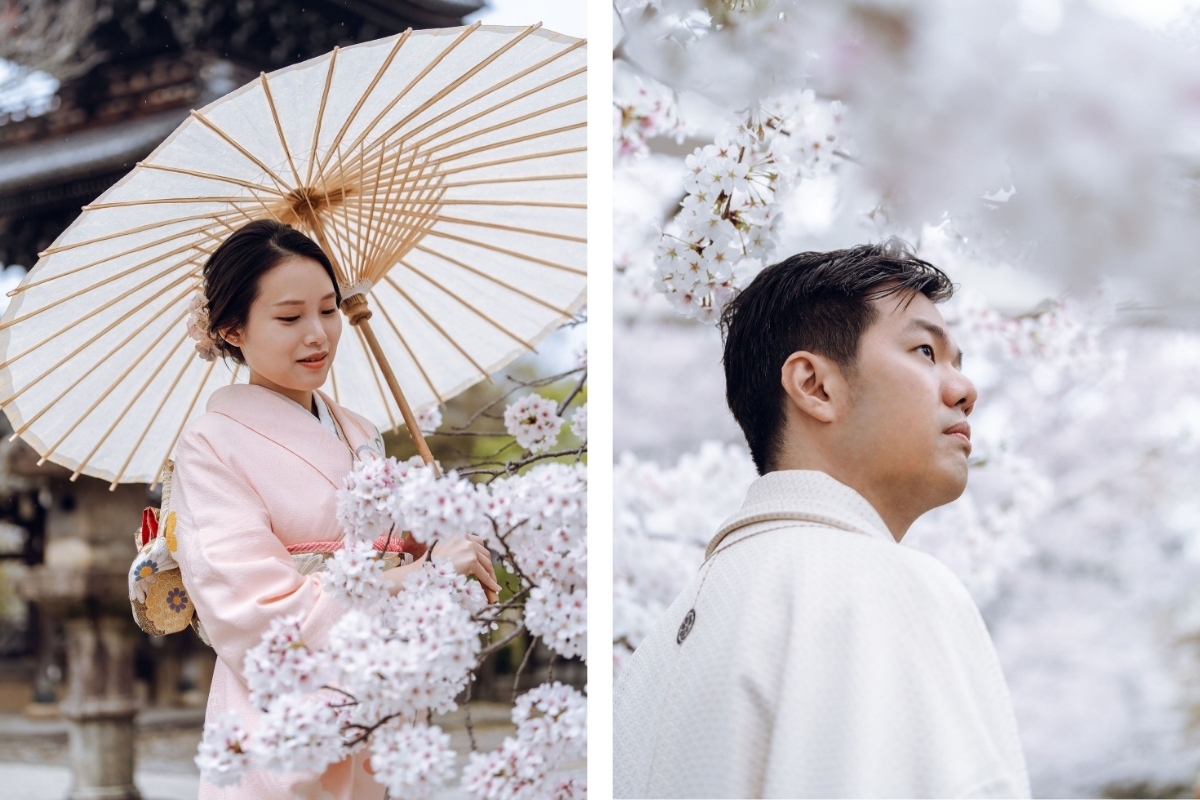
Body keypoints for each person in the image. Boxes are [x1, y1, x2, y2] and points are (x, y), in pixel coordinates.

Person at [612, 240, 1031, 799]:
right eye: (926, 352)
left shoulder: (653, 655)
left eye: (958, 362)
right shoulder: (881, 583)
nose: (964, 389)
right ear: (815, 386)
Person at [169, 220, 502, 800]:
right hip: (284, 710)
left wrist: (435, 532)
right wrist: (413, 576)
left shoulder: (360, 430)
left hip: (382, 701)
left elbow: (396, 549)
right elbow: (250, 607)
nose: (318, 335)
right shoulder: (210, 443)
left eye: (329, 310)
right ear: (232, 329)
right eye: (290, 317)